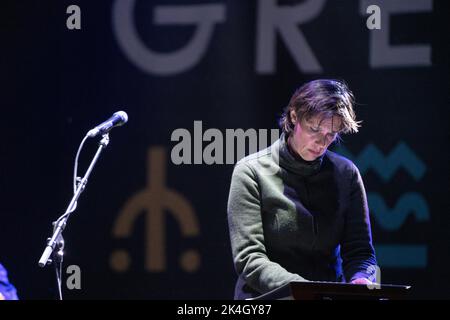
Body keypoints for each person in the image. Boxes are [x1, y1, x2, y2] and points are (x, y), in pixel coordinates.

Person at [227, 79, 377, 299]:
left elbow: (361, 252)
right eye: (314, 129)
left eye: (331, 134)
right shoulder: (251, 172)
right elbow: (251, 260)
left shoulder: (347, 174)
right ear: (293, 117)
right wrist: (310, 292)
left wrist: (362, 279)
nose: (321, 142)